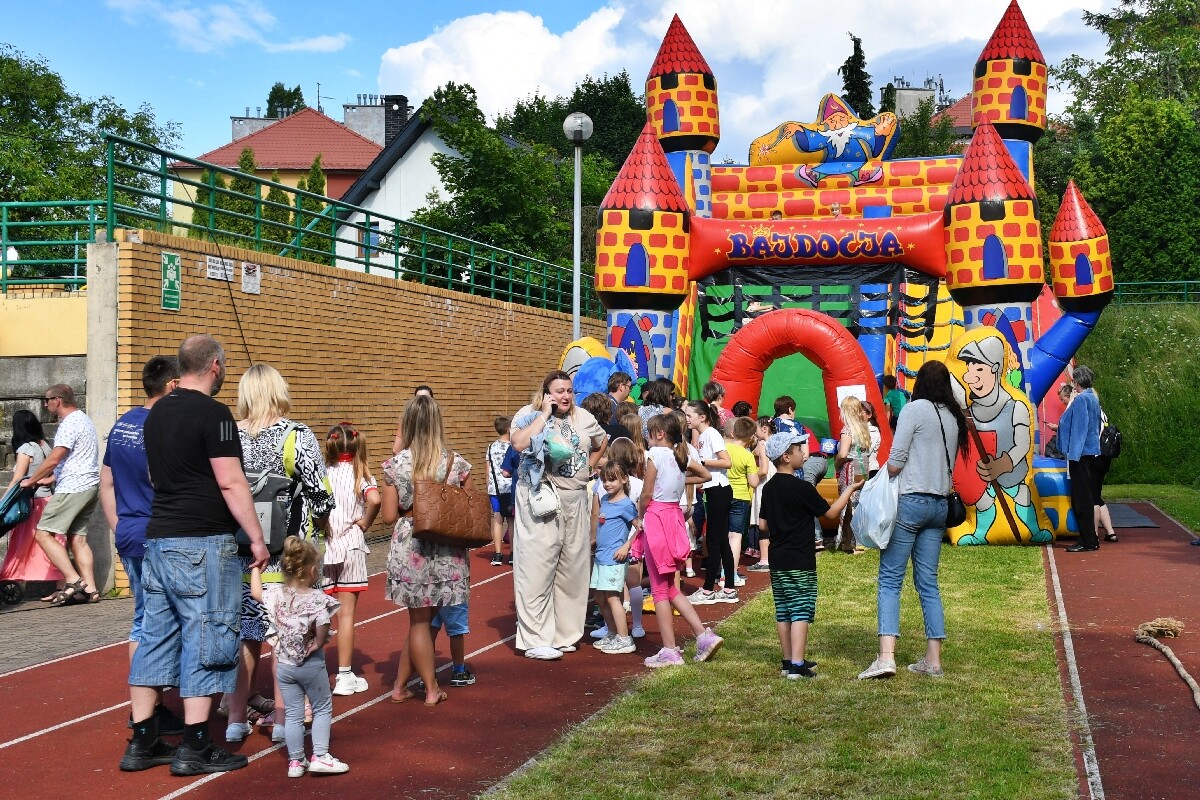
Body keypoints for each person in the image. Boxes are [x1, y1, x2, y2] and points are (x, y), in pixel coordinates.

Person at [120, 334, 269, 775]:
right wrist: (256, 538)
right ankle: (196, 745)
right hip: (202, 542)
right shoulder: (216, 414)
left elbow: (152, 472)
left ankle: (143, 740)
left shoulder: (156, 411)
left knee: (155, 637)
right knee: (209, 635)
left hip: (158, 540)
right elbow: (230, 480)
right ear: (216, 367)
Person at [225, 364, 334, 744]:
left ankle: (236, 719)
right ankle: (284, 721)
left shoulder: (229, 435)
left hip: (242, 552)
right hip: (288, 554)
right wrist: (322, 522)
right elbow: (320, 492)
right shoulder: (296, 435)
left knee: (246, 636)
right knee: (285, 638)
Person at [858, 359, 966, 680]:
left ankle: (886, 657)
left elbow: (895, 462)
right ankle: (933, 660)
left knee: (891, 579)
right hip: (939, 506)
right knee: (928, 583)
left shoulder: (914, 409)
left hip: (911, 501)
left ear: (920, 383)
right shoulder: (952, 416)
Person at [99, 355, 184, 734]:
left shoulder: (121, 425)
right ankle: (147, 711)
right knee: (162, 623)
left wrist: (119, 526)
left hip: (131, 533)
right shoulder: (163, 426)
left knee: (143, 621)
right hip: (158, 534)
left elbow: (107, 482)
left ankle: (149, 707)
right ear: (171, 386)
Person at [509, 370, 607, 660]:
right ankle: (535, 638)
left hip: (575, 499)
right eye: (559, 391)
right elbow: (519, 444)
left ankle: (565, 635)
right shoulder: (528, 414)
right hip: (540, 501)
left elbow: (603, 441)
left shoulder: (585, 418)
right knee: (536, 570)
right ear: (547, 392)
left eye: (569, 391)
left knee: (573, 572)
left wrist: (590, 467)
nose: (565, 396)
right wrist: (544, 414)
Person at [381, 394, 472, 703]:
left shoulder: (396, 464)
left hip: (411, 546)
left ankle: (419, 688)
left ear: (407, 424)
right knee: (424, 621)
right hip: (446, 547)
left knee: (419, 621)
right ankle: (410, 686)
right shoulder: (454, 462)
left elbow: (389, 516)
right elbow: (469, 507)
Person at [619, 412, 721, 667]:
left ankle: (670, 648)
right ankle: (703, 635)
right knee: (670, 587)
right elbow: (705, 476)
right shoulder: (680, 455)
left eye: (650, 433)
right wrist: (678, 480)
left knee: (660, 589)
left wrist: (641, 514)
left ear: (659, 434)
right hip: (673, 517)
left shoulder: (657, 455)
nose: (647, 439)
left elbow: (647, 492)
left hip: (657, 519)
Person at [759, 431, 860, 679]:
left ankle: (787, 661)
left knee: (783, 609)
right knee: (801, 609)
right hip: (800, 559)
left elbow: (762, 526)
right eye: (797, 449)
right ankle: (797, 664)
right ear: (786, 456)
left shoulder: (769, 487)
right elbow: (831, 514)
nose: (803, 452)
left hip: (778, 557)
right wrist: (851, 489)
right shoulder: (802, 487)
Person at [251, 539, 348, 778]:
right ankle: (321, 756)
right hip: (311, 664)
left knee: (293, 713)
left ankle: (295, 762)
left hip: (284, 665)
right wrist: (319, 642)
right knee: (322, 707)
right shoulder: (317, 598)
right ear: (313, 570)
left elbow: (255, 593)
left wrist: (255, 569)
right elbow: (324, 622)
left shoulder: (276, 594)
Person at [22, 384, 101, 605]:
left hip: (73, 487)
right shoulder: (83, 420)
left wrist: (33, 479)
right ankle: (91, 589)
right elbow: (77, 458)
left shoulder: (69, 424)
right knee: (78, 538)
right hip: (89, 485)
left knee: (42, 533)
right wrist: (52, 478)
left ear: (58, 400)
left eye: (47, 400)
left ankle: (74, 580)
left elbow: (55, 458)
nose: (45, 405)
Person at [322, 422, 380, 697]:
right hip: (352, 545)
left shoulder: (321, 473)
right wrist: (366, 523)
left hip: (324, 547)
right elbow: (376, 500)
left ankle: (315, 673)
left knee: (317, 614)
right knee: (346, 616)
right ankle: (344, 676)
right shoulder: (361, 474)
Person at [684, 399, 736, 605]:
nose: (687, 419)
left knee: (714, 540)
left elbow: (726, 462)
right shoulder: (704, 436)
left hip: (720, 490)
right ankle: (729, 587)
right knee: (720, 540)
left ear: (702, 417)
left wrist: (701, 463)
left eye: (690, 415)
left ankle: (708, 590)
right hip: (713, 491)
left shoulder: (712, 434)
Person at [1, 410, 58, 590]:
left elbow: (18, 479)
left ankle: (12, 578)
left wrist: (3, 501)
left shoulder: (26, 449)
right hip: (48, 499)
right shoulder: (46, 446)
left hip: (32, 502)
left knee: (23, 544)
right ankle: (54, 580)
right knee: (47, 542)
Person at [590, 462, 639, 655]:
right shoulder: (605, 500)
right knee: (599, 597)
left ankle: (624, 638)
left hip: (614, 560)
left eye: (612, 480)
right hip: (601, 558)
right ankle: (612, 632)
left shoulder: (626, 504)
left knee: (611, 597)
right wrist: (594, 539)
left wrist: (626, 546)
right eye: (604, 480)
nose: (608, 484)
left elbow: (640, 528)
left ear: (624, 479)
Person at [1058, 366, 1103, 553]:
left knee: (1081, 499)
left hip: (1081, 455)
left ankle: (1087, 540)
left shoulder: (1082, 400)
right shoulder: (1093, 397)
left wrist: (1073, 455)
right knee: (1087, 498)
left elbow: (1079, 429)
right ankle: (1090, 538)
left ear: (1076, 382)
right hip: (1090, 453)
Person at [725, 416, 767, 582]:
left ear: (733, 432)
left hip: (721, 494)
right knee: (735, 536)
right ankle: (731, 574)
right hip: (741, 496)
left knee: (721, 535)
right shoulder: (747, 456)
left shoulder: (722, 449)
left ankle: (718, 570)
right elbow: (753, 482)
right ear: (751, 438)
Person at [834, 396, 875, 554]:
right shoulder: (863, 429)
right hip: (862, 467)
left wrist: (837, 461)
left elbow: (843, 453)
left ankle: (851, 541)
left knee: (848, 505)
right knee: (857, 505)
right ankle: (850, 541)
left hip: (849, 468)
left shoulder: (847, 430)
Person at [746, 416, 777, 573]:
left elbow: (764, 469)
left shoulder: (763, 443)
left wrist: (752, 477)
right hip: (776, 480)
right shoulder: (777, 441)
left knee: (763, 522)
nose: (755, 433)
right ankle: (773, 556)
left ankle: (764, 559)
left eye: (757, 429)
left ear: (764, 429)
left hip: (765, 483)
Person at [485, 416, 514, 566]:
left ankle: (497, 554)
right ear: (509, 429)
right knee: (511, 521)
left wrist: (488, 487)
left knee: (497, 520)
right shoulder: (514, 446)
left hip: (494, 488)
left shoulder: (491, 447)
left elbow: (488, 471)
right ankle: (512, 554)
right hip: (509, 489)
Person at [391, 385, 434, 455]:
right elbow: (396, 450)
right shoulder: (407, 421)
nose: (422, 403)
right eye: (419, 399)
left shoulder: (434, 422)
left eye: (426, 399)